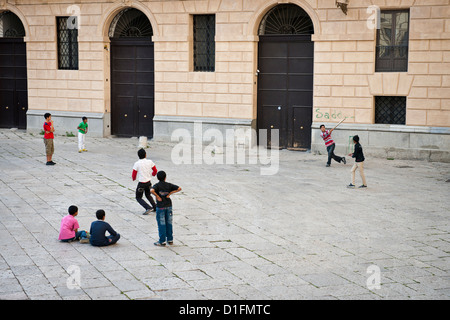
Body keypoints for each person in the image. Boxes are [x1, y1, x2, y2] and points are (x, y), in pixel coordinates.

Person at [150, 171, 181, 246]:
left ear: (157, 178)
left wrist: (157, 196)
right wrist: (169, 194)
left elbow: (151, 190)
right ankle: (170, 239)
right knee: (169, 223)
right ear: (165, 177)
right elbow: (179, 188)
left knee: (161, 223)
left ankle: (162, 240)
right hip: (168, 205)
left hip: (160, 206)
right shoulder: (169, 185)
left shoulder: (157, 185)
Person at [132, 148, 157, 215]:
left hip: (141, 183)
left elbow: (134, 174)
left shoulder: (137, 163)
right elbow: (155, 170)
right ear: (145, 155)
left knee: (138, 197)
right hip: (148, 182)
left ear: (138, 155)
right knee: (148, 195)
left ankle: (148, 207)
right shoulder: (150, 162)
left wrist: (134, 178)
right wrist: (153, 174)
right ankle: (155, 207)